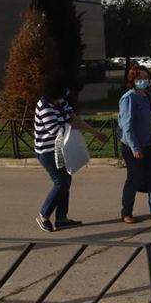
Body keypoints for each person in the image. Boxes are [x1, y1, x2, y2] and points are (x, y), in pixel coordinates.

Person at [33, 74, 107, 232]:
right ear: (55, 90)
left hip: (60, 148)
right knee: (61, 182)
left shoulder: (61, 102)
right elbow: (56, 130)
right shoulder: (44, 106)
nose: (67, 92)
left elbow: (75, 120)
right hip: (46, 151)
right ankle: (43, 214)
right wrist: (70, 124)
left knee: (66, 179)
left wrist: (96, 133)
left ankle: (61, 218)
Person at [118, 65, 151, 223]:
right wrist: (135, 147)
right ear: (133, 81)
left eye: (145, 78)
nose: (143, 81)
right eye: (139, 78)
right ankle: (126, 212)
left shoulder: (147, 96)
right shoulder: (129, 98)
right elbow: (127, 126)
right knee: (134, 179)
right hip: (133, 146)